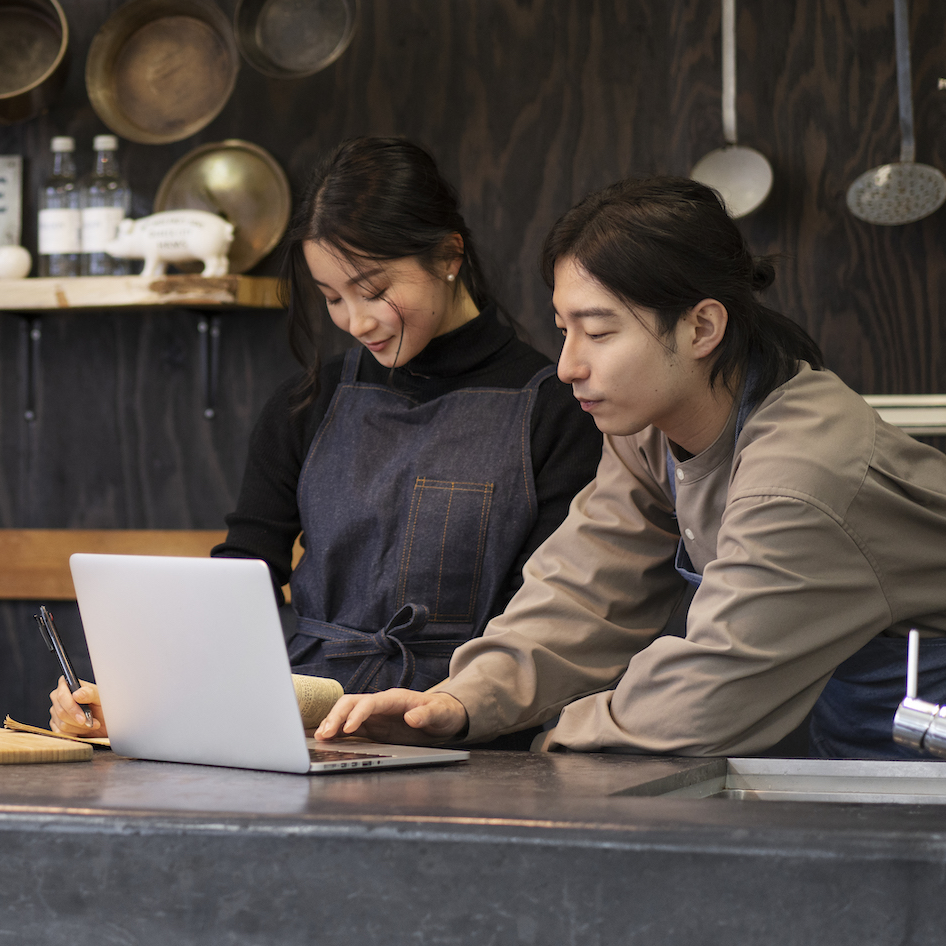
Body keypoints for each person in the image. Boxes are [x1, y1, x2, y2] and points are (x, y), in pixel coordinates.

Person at [315, 175, 946, 760]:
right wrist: (456, 703)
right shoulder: (649, 430)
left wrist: (540, 743)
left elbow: (704, 700)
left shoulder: (803, 479)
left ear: (701, 327)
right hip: (848, 716)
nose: (567, 367)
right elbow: (584, 592)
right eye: (563, 330)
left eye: (598, 332)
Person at [50, 137, 602, 736]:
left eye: (373, 290)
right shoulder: (308, 400)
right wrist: (139, 698)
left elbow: (541, 622)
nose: (356, 321)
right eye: (332, 297)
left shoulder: (557, 407)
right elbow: (244, 580)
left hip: (466, 726)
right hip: (305, 721)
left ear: (448, 255)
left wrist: (453, 707)